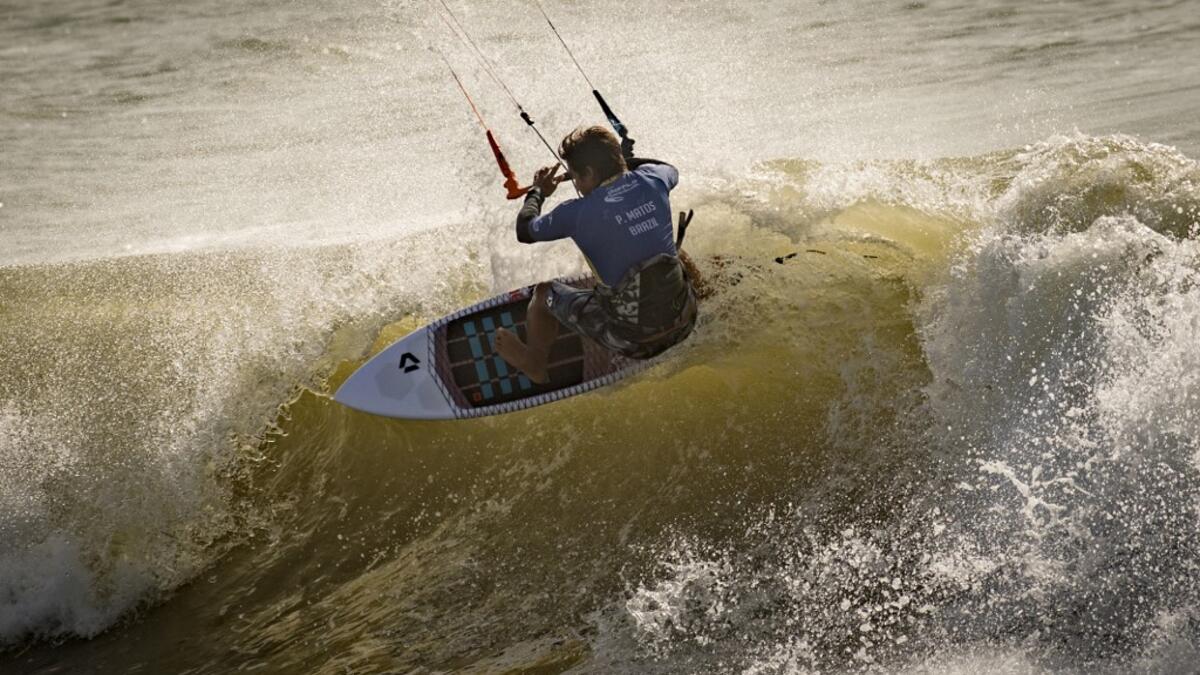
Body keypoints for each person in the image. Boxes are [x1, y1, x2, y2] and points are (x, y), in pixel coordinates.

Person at [494, 125, 701, 383]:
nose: (577, 185)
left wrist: (538, 191)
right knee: (670, 250)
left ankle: (534, 362)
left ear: (590, 172)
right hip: (685, 321)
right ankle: (706, 295)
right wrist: (622, 164)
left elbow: (524, 230)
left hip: (634, 342)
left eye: (576, 178)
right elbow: (667, 168)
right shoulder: (653, 179)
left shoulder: (575, 213)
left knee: (543, 293)